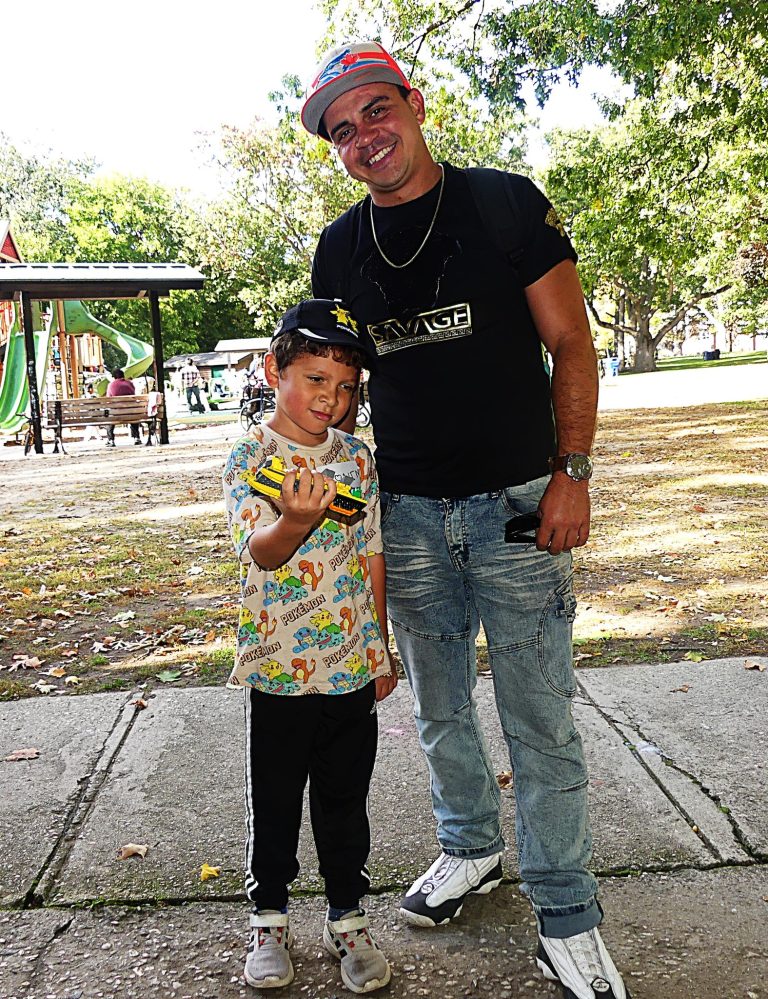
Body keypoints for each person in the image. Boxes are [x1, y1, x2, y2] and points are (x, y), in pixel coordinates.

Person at [302, 41, 629, 999]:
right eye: (342, 130)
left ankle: (567, 914)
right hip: (404, 517)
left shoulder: (504, 204)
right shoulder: (338, 249)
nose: (365, 136)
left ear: (414, 102)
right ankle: (470, 845)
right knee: (438, 708)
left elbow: (571, 343)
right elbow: (333, 391)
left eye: (376, 109)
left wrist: (572, 475)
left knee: (540, 721)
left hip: (519, 507)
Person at [222, 298, 397, 993]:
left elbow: (371, 551)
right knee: (275, 798)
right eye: (316, 378)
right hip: (279, 668)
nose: (332, 397)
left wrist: (379, 644)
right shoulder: (252, 456)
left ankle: (347, 916)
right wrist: (295, 519)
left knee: (345, 799)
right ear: (275, 370)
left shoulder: (357, 458)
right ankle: (269, 916)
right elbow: (261, 551)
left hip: (351, 662)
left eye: (346, 386)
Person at [105, 368, 141, 447]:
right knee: (133, 415)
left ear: (114, 377)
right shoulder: (130, 383)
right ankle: (136, 438)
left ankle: (111, 440)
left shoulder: (111, 385)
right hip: (130, 413)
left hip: (116, 414)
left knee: (109, 417)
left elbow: (108, 401)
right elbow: (133, 395)